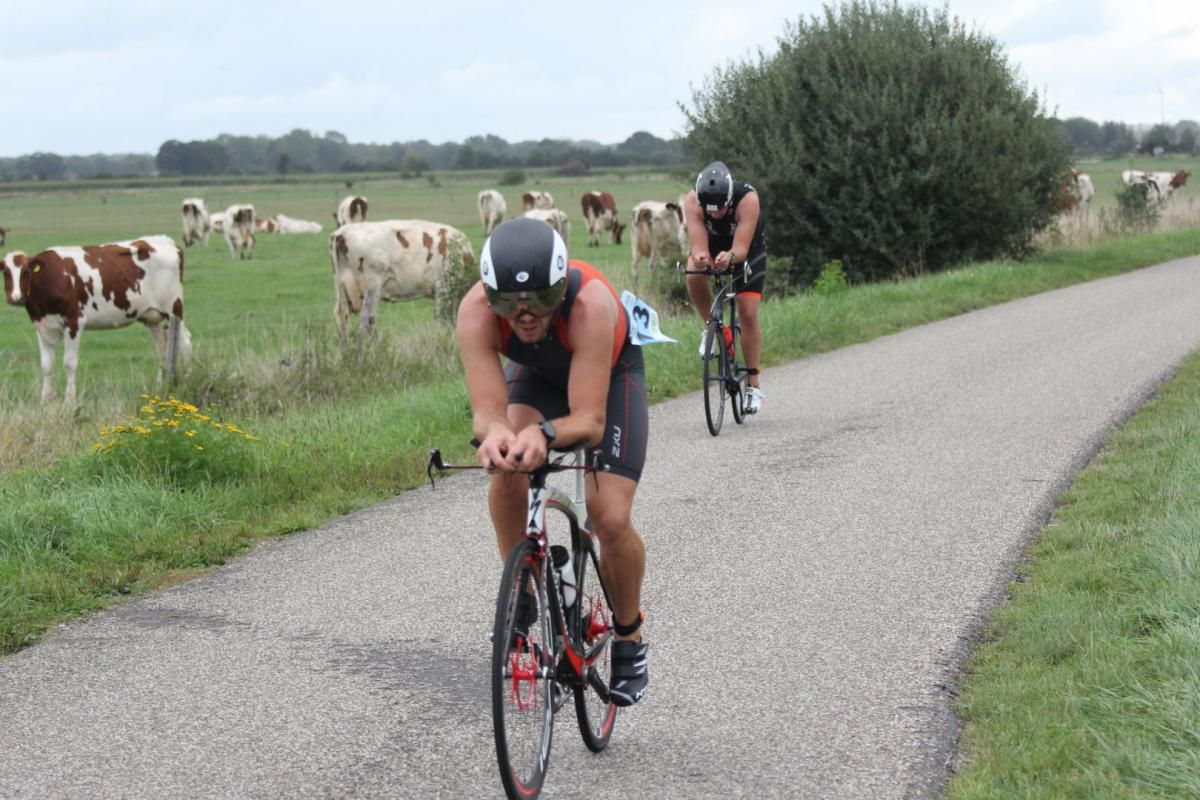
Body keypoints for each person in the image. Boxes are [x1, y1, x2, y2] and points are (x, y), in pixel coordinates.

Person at [455, 216, 650, 707]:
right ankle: (521, 585)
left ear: (561, 288)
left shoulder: (588, 306)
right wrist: (499, 435)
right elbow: (487, 413)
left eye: (541, 300)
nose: (524, 315)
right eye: (509, 304)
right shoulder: (475, 311)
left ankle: (629, 638)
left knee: (608, 518)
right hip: (539, 371)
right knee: (508, 466)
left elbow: (588, 421)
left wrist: (546, 433)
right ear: (489, 293)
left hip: (609, 370)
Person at [682, 161, 768, 415]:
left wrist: (730, 256)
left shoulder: (747, 199)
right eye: (711, 211)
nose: (716, 215)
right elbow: (698, 244)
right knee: (693, 271)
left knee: (748, 312)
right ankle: (713, 327)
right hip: (713, 245)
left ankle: (753, 383)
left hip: (746, 250)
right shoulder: (692, 201)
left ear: (730, 199)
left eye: (720, 210)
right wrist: (700, 256)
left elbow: (740, 249)